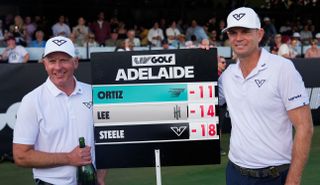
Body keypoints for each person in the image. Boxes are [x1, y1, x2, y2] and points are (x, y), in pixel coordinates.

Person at [219, 7, 313, 185]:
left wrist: (293, 180)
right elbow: (203, 99)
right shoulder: (227, 75)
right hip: (235, 174)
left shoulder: (282, 69)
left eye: (245, 31)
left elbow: (304, 127)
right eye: (233, 33)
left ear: (260, 34)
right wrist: (203, 61)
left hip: (275, 176)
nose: (238, 38)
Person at [12, 36, 106, 185]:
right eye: (52, 61)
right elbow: (21, 156)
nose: (57, 67)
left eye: (63, 60)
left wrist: (100, 176)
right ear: (45, 64)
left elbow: (104, 139)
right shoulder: (32, 100)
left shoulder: (93, 93)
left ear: (75, 62)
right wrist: (69, 158)